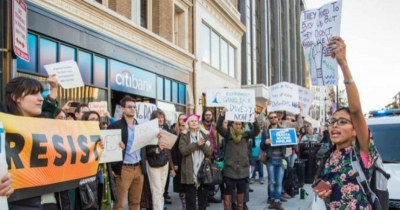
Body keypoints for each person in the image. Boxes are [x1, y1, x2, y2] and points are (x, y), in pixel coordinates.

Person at [313, 37, 379, 209]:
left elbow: (356, 111)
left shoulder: (362, 152)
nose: (334, 125)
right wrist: (321, 190)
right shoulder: (328, 156)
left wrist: (343, 64)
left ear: (355, 129)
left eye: (342, 122)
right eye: (333, 121)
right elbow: (320, 184)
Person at [1, 75, 70, 209]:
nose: (40, 98)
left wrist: (95, 145)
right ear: (15, 97)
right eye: (34, 93)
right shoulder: (2, 127)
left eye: (40, 93)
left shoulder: (46, 126)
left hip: (48, 201)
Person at [107, 96, 147, 210]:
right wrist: (113, 167)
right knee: (119, 204)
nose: (132, 109)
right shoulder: (115, 126)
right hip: (124, 169)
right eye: (129, 107)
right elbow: (108, 148)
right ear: (122, 109)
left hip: (139, 168)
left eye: (134, 107)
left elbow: (145, 147)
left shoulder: (141, 127)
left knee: (136, 203)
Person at [216, 108, 260, 210]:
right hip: (230, 169)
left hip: (242, 169)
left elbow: (257, 131)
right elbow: (218, 127)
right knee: (228, 195)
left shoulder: (246, 134)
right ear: (232, 124)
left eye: (240, 124)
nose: (238, 126)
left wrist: (255, 120)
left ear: (242, 125)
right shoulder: (227, 134)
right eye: (236, 124)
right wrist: (222, 115)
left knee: (241, 196)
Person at [179, 114, 212, 210]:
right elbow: (183, 151)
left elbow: (209, 151)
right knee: (191, 201)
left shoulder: (204, 134)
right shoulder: (184, 135)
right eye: (191, 121)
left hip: (203, 170)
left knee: (203, 200)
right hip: (189, 171)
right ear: (188, 123)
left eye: (196, 121)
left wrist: (202, 145)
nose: (194, 122)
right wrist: (196, 144)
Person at [145, 110, 175, 210]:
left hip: (164, 163)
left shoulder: (165, 130)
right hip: (153, 163)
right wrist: (158, 147)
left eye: (162, 117)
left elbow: (168, 151)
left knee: (161, 191)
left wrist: (171, 167)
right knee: (156, 190)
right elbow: (147, 151)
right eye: (158, 117)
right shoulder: (149, 132)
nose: (161, 119)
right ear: (153, 119)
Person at [260, 112, 288, 210]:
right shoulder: (266, 132)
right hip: (271, 160)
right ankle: (272, 199)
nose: (273, 119)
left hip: (281, 159)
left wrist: (294, 139)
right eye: (271, 117)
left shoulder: (283, 130)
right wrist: (265, 142)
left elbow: (289, 144)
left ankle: (277, 200)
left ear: (278, 119)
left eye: (275, 117)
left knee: (279, 182)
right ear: (269, 119)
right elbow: (261, 146)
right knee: (271, 182)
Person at [199, 109, 222, 204]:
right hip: (204, 155)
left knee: (212, 176)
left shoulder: (214, 126)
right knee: (204, 176)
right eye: (206, 115)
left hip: (213, 154)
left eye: (210, 115)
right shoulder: (200, 126)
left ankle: (211, 195)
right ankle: (204, 197)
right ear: (204, 116)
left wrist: (217, 153)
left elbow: (216, 140)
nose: (208, 116)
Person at [171, 114, 187, 209]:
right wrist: (174, 164)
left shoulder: (190, 132)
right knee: (181, 186)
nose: (182, 120)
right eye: (180, 119)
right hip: (178, 162)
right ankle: (184, 205)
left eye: (184, 119)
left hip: (188, 162)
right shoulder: (174, 133)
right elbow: (172, 149)